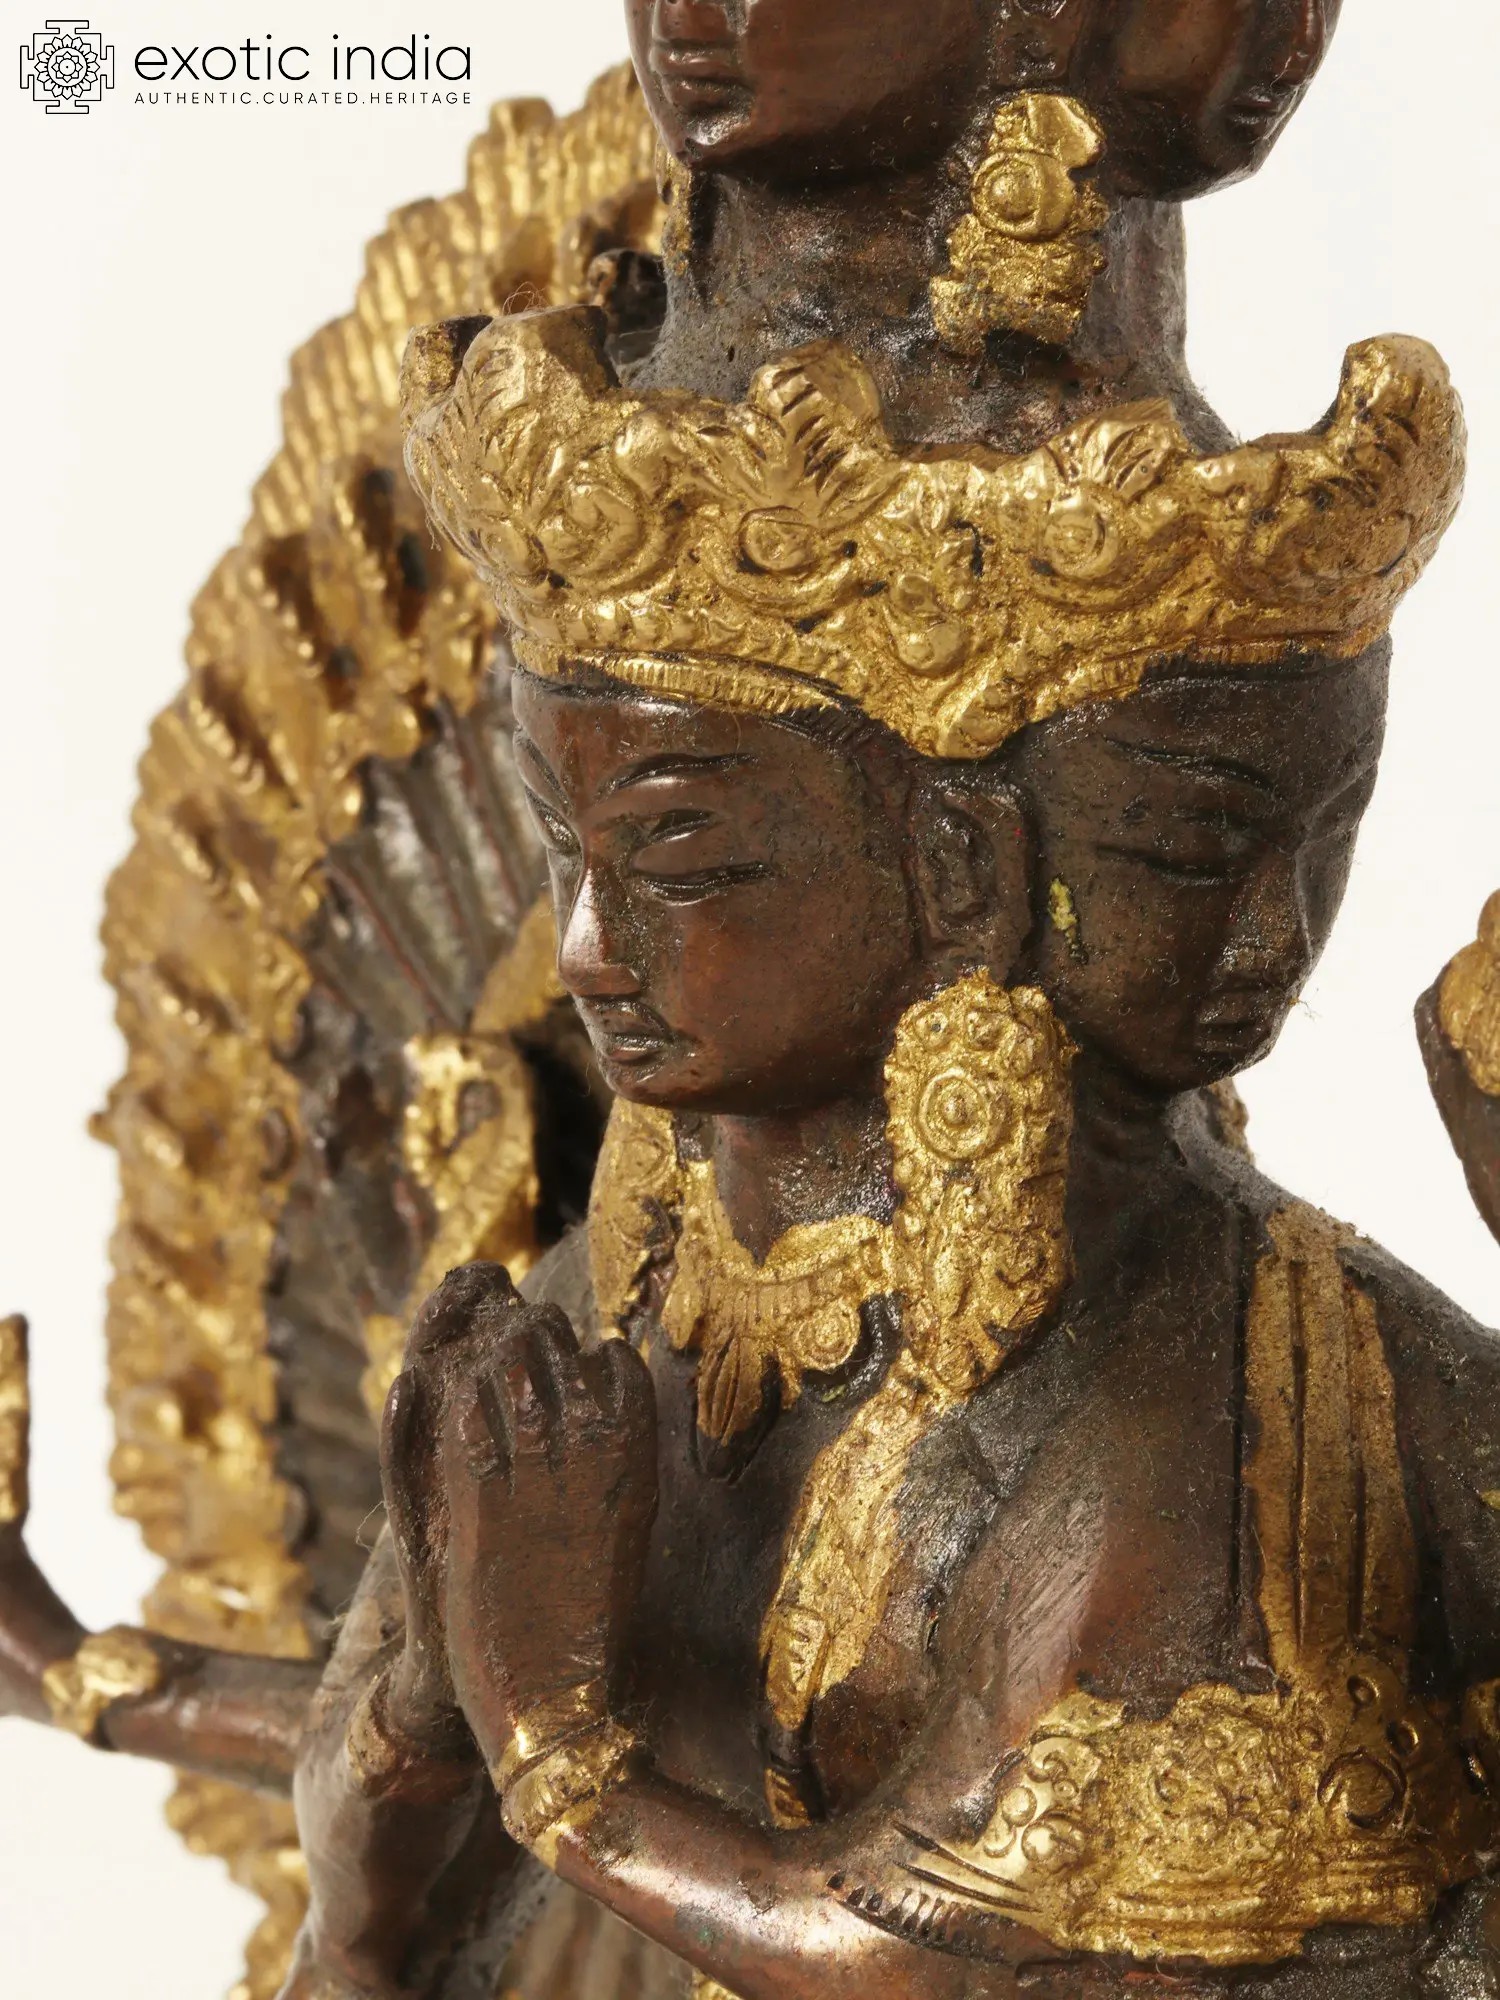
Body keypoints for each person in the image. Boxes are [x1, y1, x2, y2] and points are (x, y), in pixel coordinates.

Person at [270, 288, 1496, 2000]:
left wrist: (553, 1755)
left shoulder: (1201, 1385)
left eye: (679, 864)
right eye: (564, 852)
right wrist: (426, 1697)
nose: (587, 952)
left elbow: (932, 1961)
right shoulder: (605, 1310)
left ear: (961, 875)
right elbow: (361, 1912)